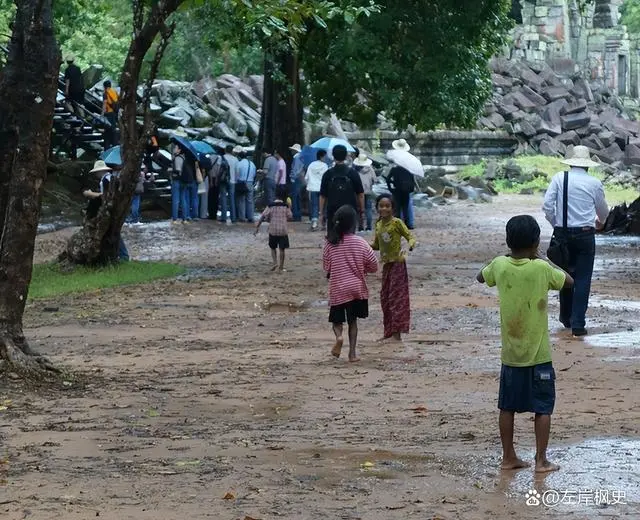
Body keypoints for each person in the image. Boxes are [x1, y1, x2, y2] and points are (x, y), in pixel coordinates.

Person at [477, 215, 574, 473]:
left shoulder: (499, 265)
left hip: (510, 354)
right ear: (535, 242)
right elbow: (569, 282)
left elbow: (480, 277)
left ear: (509, 241)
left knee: (506, 407)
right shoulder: (541, 269)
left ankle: (508, 456)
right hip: (539, 355)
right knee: (542, 408)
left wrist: (501, 259)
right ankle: (540, 460)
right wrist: (543, 258)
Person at [542, 145, 609, 337]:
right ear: (588, 165)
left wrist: (557, 224)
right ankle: (578, 323)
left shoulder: (559, 179)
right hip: (586, 235)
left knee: (564, 275)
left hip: (562, 234)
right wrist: (600, 223)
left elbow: (547, 206)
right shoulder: (594, 183)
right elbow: (603, 212)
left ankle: (566, 318)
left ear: (570, 163)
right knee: (583, 278)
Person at [323, 205, 378, 362]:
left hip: (338, 288)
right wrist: (363, 268)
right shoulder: (360, 242)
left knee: (336, 321)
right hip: (356, 288)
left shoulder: (330, 243)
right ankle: (352, 354)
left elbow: (327, 266)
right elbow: (374, 265)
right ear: (353, 223)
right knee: (353, 322)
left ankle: (339, 338)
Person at [371, 194, 416, 341]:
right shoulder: (378, 225)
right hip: (387, 265)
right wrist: (361, 245)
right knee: (385, 298)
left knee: (396, 298)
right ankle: (388, 332)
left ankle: (397, 334)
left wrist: (409, 247)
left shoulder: (397, 223)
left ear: (392, 208)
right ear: (377, 207)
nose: (384, 208)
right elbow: (377, 245)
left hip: (398, 263)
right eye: (381, 206)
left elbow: (411, 237)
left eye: (387, 206)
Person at [83, 160, 129, 261]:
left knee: (113, 233)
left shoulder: (106, 180)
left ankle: (123, 256)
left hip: (110, 210)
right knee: (112, 233)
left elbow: (107, 196)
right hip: (113, 209)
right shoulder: (109, 178)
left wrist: (91, 194)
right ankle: (118, 255)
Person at [319, 144, 365, 230]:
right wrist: (362, 211)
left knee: (333, 237)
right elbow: (360, 194)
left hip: (332, 211)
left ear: (333, 155)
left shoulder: (328, 174)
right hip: (350, 210)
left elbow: (322, 196)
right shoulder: (352, 173)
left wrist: (321, 213)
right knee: (349, 237)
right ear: (346, 156)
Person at [255, 185, 292, 272]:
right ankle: (281, 266)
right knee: (282, 249)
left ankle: (275, 262)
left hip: (273, 231)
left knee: (273, 247)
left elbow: (263, 216)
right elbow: (290, 216)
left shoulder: (270, 205)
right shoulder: (285, 206)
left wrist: (257, 227)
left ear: (275, 195)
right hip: (283, 231)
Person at [172, 143, 197, 223]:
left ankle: (175, 219)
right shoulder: (185, 157)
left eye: (175, 147)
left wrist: (172, 171)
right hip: (184, 181)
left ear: (179, 150)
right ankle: (185, 218)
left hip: (177, 180)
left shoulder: (178, 158)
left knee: (176, 200)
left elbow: (178, 170)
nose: (174, 149)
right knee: (183, 199)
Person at [386, 162, 415, 230]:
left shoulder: (394, 169)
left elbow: (388, 179)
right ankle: (408, 224)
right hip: (406, 191)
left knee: (397, 208)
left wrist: (390, 188)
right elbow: (412, 181)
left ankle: (398, 224)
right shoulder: (409, 170)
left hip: (397, 190)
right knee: (405, 208)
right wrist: (411, 190)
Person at [305, 149, 329, 231]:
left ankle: (314, 223)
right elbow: (327, 178)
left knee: (314, 205)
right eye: (325, 156)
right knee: (323, 206)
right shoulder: (325, 166)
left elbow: (307, 177)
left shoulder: (311, 165)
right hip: (322, 188)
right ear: (322, 156)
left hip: (312, 188)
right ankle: (323, 223)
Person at [353, 153, 377, 231]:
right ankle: (369, 226)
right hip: (368, 191)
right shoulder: (370, 169)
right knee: (368, 209)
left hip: (358, 192)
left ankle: (360, 226)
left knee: (359, 209)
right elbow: (375, 180)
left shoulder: (355, 170)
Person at [220, 145, 239, 223]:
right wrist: (236, 180)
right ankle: (233, 218)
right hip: (232, 181)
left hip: (223, 180)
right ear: (232, 151)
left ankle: (223, 217)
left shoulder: (221, 158)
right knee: (232, 199)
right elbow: (237, 171)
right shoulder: (235, 159)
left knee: (223, 198)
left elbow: (219, 169)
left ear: (225, 150)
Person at [236, 151, 257, 223]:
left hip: (241, 183)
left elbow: (237, 174)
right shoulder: (252, 164)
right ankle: (250, 217)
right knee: (250, 200)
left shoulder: (239, 164)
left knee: (241, 200)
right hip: (250, 182)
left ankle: (242, 217)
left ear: (239, 157)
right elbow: (254, 174)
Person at [102, 80, 120, 149]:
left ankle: (107, 146)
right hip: (114, 112)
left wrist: (102, 114)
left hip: (108, 113)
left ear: (104, 86)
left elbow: (104, 104)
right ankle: (115, 144)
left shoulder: (105, 93)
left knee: (107, 130)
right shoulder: (114, 91)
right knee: (113, 129)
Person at [290, 143, 305, 221]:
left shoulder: (296, 158)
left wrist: (292, 177)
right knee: (298, 197)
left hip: (296, 179)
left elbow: (295, 170)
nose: (291, 151)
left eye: (292, 150)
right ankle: (298, 214)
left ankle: (295, 215)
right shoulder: (301, 157)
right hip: (300, 178)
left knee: (294, 197)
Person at [207, 149, 223, 221]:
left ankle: (210, 214)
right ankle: (214, 214)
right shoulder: (219, 158)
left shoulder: (209, 157)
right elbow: (219, 170)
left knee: (210, 197)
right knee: (216, 197)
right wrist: (216, 179)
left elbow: (209, 169)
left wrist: (211, 181)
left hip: (210, 179)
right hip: (217, 179)